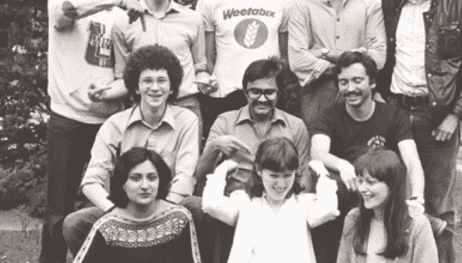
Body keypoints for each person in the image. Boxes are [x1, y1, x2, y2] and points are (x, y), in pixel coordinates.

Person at [376, 0, 462, 263]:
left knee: (438, 208)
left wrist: (455, 115)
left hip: (437, 118)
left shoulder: (461, 1)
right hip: (397, 111)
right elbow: (385, 58)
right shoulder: (390, 3)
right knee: (397, 200)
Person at [42, 0, 143, 263]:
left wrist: (114, 91)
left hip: (108, 123)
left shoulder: (119, 14)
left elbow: (131, 66)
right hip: (67, 120)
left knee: (113, 200)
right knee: (59, 205)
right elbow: (68, 13)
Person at [63, 45, 199, 256]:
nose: (155, 88)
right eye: (147, 81)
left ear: (172, 87)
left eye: (162, 81)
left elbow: (186, 176)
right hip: (122, 207)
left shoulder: (187, 121)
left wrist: (163, 213)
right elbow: (91, 181)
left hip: (169, 207)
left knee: (197, 208)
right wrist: (114, 212)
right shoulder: (114, 124)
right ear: (136, 87)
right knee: (75, 222)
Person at [181, 57, 311, 263]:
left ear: (279, 93)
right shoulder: (226, 121)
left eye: (269, 92)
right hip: (235, 203)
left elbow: (303, 176)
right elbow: (201, 173)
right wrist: (215, 147)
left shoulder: (295, 126)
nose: (262, 99)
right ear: (245, 92)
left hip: (278, 202)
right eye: (255, 92)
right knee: (193, 205)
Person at [310, 51, 426, 263]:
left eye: (357, 80)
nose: (350, 88)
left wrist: (417, 197)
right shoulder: (329, 116)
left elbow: (412, 161)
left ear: (372, 83)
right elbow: (317, 153)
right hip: (343, 201)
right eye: (343, 82)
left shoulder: (392, 115)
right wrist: (341, 163)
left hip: (382, 204)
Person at [98, 0, 211, 149]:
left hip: (185, 106)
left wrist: (206, 80)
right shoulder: (123, 23)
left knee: (187, 173)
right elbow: (123, 77)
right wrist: (103, 93)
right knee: (142, 173)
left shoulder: (192, 19)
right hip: (143, 108)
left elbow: (200, 68)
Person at [197, 0, 294, 138]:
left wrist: (273, 88)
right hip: (225, 97)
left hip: (267, 97)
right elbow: (207, 59)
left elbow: (285, 58)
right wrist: (205, 79)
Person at [288, 0, 386, 133]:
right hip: (316, 99)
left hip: (360, 97)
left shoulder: (371, 4)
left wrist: (325, 54)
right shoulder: (302, 4)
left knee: (360, 158)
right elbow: (297, 59)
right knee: (318, 159)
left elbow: (378, 57)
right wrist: (353, 61)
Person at [202, 137, 339, 263]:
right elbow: (211, 204)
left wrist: (321, 174)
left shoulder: (303, 204)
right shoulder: (245, 202)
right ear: (258, 170)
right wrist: (222, 171)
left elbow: (329, 209)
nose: (281, 184)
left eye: (287, 176)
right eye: (274, 176)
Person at [72, 147, 201, 263]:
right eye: (136, 178)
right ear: (122, 183)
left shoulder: (179, 218)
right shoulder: (107, 227)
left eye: (151, 178)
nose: (145, 186)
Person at [337, 149, 438, 263]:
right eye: (360, 181)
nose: (362, 189)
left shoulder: (417, 225)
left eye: (370, 182)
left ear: (392, 186)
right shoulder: (353, 219)